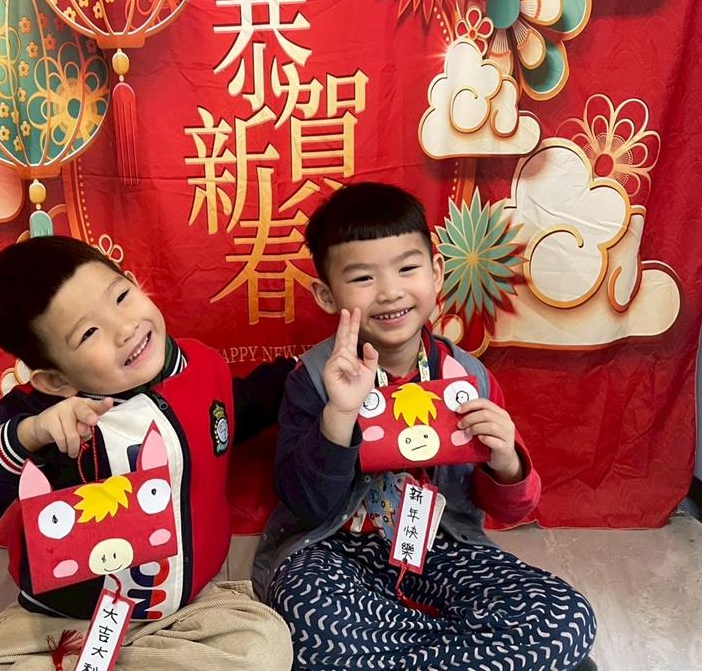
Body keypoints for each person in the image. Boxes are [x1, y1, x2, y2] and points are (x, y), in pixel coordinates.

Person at [252, 182, 597, 671]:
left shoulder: (468, 377)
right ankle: (479, 655)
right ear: (327, 295)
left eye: (407, 268)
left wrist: (506, 461)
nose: (390, 291)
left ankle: (393, 652)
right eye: (363, 277)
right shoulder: (311, 379)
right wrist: (338, 416)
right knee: (306, 617)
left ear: (436, 272)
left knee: (566, 618)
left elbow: (513, 506)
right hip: (334, 551)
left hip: (442, 546)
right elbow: (307, 505)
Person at [0, 236, 294, 671]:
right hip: (61, 624)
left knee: (263, 647)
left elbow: (243, 406)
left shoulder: (201, 368)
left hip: (186, 611)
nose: (124, 328)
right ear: (55, 379)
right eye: (89, 333)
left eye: (121, 297)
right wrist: (27, 436)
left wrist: (309, 373)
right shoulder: (42, 418)